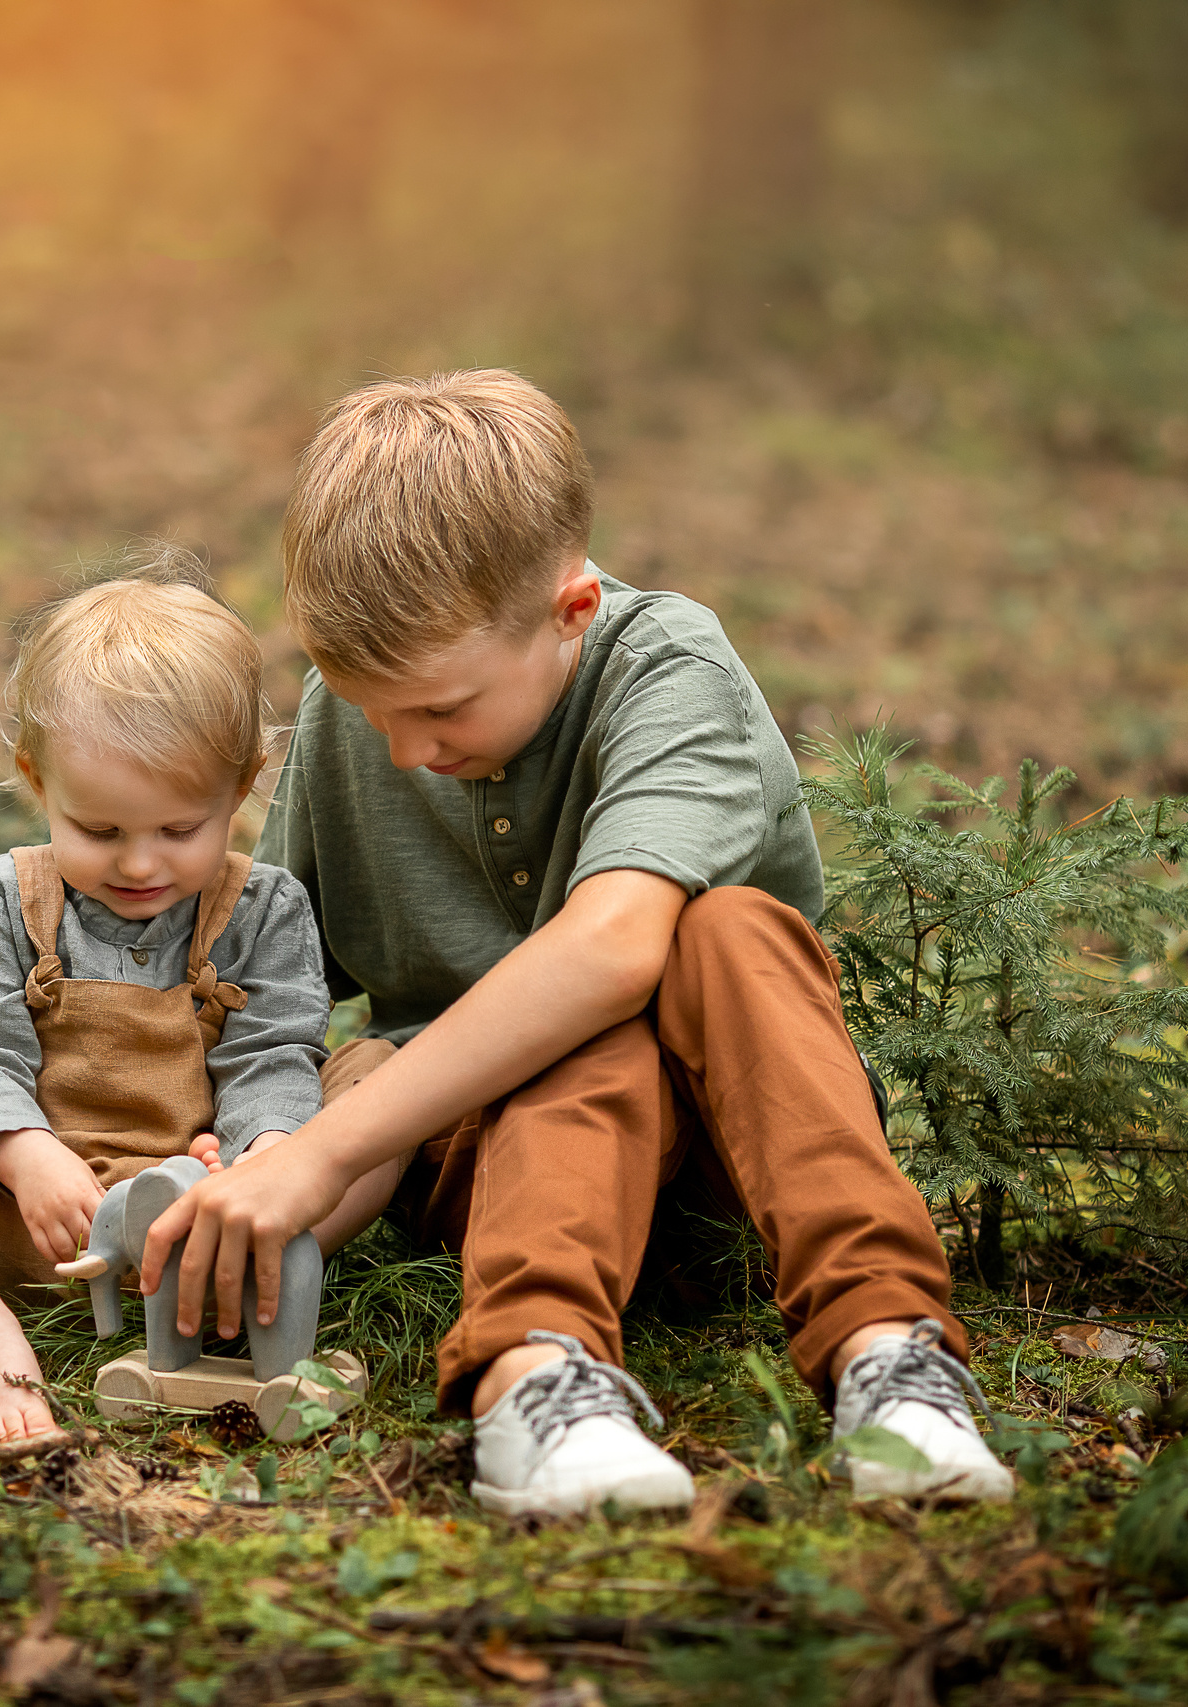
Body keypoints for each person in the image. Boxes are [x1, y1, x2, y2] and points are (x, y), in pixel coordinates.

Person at [135, 370, 1013, 1516]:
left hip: (724, 1159)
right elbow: (261, 993)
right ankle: (536, 1380)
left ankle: (890, 1361)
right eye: (370, 712)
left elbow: (608, 949)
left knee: (717, 934)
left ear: (570, 613)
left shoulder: (668, 670)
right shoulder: (359, 721)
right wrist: (242, 1139)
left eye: (441, 713)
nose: (403, 752)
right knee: (567, 1024)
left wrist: (321, 1155)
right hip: (480, 1166)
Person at [0, 553, 399, 1446]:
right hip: (31, 1219)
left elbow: (273, 1055)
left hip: (212, 1210)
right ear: (36, 777)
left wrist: (263, 1157)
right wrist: (22, 1152)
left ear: (243, 783)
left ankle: (249, 1275)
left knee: (382, 1079)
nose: (140, 864)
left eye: (180, 829)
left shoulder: (265, 907)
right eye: (99, 830)